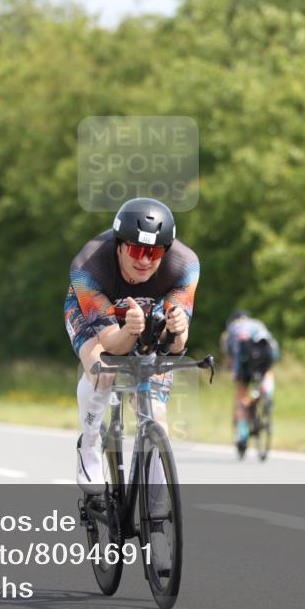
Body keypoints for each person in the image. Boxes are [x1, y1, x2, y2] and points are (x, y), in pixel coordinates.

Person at [64, 198, 200, 494]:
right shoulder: (87, 266)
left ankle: (156, 499)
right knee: (103, 370)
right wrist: (129, 330)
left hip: (147, 315)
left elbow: (175, 347)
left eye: (155, 253)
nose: (145, 261)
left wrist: (176, 330)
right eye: (137, 250)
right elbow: (112, 344)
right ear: (120, 245)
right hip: (96, 317)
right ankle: (89, 444)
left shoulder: (184, 265)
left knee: (155, 413)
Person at [222, 311, 279, 456]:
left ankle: (242, 434)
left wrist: (235, 374)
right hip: (264, 357)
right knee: (267, 372)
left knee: (241, 394)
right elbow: (274, 350)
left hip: (245, 362)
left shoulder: (230, 332)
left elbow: (232, 357)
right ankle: (266, 395)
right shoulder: (258, 324)